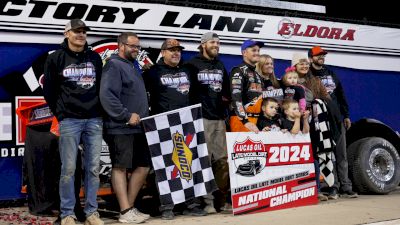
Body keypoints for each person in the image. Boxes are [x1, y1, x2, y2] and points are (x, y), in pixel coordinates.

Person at [43, 19, 104, 225]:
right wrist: (60, 114)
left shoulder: (95, 58)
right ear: (66, 33)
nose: (81, 35)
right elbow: (49, 90)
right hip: (69, 119)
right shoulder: (56, 58)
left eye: (84, 31)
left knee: (93, 168)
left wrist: (98, 111)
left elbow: (101, 87)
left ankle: (91, 212)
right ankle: (67, 213)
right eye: (77, 31)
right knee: (68, 169)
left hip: (94, 119)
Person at [144, 38, 206, 219]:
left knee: (189, 162)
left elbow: (196, 95)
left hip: (187, 124)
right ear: (163, 52)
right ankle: (166, 206)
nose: (176, 53)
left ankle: (191, 203)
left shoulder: (189, 70)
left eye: (178, 50)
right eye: (171, 50)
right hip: (162, 126)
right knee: (165, 166)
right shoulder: (153, 72)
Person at [100, 32, 150, 224]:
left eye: (138, 46)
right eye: (132, 46)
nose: (136, 50)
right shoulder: (113, 65)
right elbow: (107, 96)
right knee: (120, 167)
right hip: (120, 126)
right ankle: (126, 210)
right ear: (121, 46)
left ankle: (127, 209)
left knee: (143, 166)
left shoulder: (132, 66)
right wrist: (126, 115)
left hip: (138, 127)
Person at [185, 32, 231, 213]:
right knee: (203, 161)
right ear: (203, 44)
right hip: (201, 118)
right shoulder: (192, 64)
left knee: (222, 162)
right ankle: (207, 202)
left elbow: (226, 92)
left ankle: (221, 199)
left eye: (218, 43)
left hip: (219, 119)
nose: (216, 45)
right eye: (212, 42)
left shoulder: (220, 64)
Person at [309, 46, 358, 198]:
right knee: (327, 155)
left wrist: (346, 115)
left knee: (341, 155)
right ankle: (332, 186)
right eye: (318, 55)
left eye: (323, 55)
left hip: (337, 119)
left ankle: (346, 186)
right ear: (311, 58)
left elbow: (341, 95)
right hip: (321, 121)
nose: (321, 57)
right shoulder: (308, 75)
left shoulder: (331, 73)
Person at [230, 39, 264, 133]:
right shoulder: (238, 71)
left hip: (256, 121)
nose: (257, 53)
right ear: (244, 52)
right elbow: (236, 97)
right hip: (241, 120)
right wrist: (245, 121)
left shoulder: (257, 75)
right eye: (253, 50)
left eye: (258, 50)